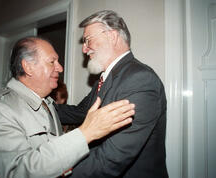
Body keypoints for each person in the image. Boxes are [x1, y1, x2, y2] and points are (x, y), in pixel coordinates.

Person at [0, 37, 135, 178]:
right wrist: (85, 134)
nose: (60, 68)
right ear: (28, 67)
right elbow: (18, 171)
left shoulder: (47, 102)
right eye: (52, 61)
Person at [56, 10, 168, 178]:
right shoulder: (104, 78)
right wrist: (44, 107)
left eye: (87, 40)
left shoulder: (139, 80)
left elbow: (113, 157)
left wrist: (56, 172)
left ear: (112, 36)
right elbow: (80, 112)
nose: (84, 49)